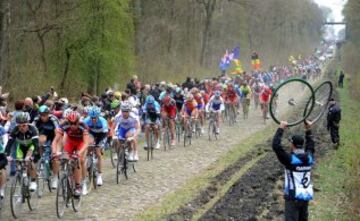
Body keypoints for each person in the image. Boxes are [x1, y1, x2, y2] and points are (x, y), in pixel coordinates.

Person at [272, 121, 315, 221]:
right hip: (305, 196)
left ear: (292, 144)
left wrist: (280, 128)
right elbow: (311, 146)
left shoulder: (291, 160)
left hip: (292, 197)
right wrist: (308, 130)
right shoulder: (309, 158)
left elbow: (276, 146)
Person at [52, 111, 90, 196]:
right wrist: (55, 152)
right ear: (68, 122)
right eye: (71, 123)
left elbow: (86, 143)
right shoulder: (64, 125)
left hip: (81, 143)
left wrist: (79, 153)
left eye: (75, 123)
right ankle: (67, 175)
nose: (73, 125)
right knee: (64, 157)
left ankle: (79, 185)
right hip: (71, 142)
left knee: (79, 160)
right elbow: (55, 140)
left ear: (78, 121)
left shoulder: (83, 126)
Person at [5, 112, 40, 192]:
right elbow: (9, 144)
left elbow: (36, 144)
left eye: (24, 125)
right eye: (19, 125)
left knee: (29, 160)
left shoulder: (33, 129)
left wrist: (34, 155)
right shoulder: (15, 130)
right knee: (19, 164)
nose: (21, 128)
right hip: (21, 147)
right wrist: (7, 155)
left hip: (31, 146)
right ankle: (23, 185)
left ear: (27, 124)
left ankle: (33, 181)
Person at [33, 105, 60, 189]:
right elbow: (32, 128)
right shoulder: (37, 119)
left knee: (55, 157)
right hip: (43, 135)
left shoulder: (53, 119)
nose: (43, 117)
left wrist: (55, 146)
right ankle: (41, 160)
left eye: (44, 114)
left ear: (48, 113)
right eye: (41, 114)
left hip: (53, 136)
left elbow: (58, 132)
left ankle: (55, 177)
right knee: (40, 142)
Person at [83, 106, 109, 186]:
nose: (93, 119)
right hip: (92, 133)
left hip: (102, 134)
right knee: (89, 146)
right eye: (92, 118)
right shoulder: (86, 120)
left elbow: (105, 131)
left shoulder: (102, 121)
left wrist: (99, 145)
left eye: (95, 118)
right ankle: (88, 161)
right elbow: (83, 130)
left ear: (98, 116)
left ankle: (99, 176)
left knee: (98, 152)